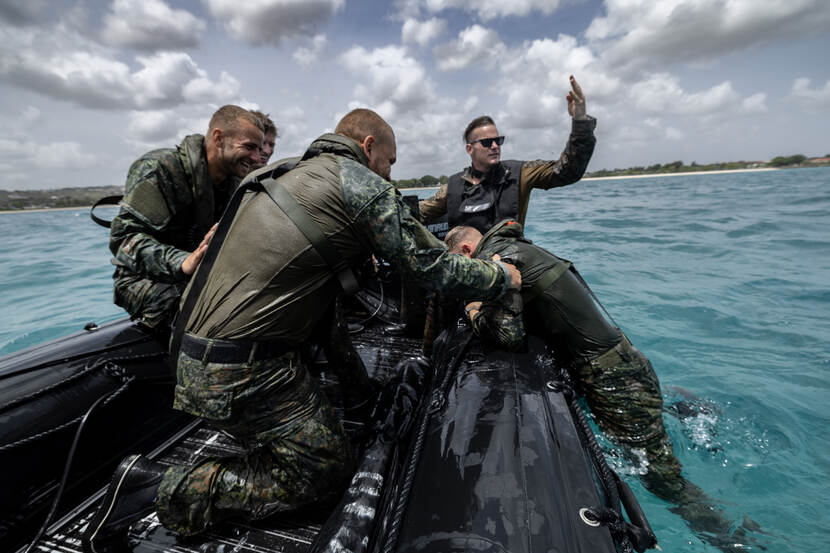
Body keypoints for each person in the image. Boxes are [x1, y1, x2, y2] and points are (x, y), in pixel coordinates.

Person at [82, 108, 521, 551]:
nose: (390, 175)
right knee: (326, 470)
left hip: (191, 354)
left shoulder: (277, 173)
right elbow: (430, 266)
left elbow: (321, 308)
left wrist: (362, 394)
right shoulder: (360, 183)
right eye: (390, 163)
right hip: (238, 372)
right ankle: (157, 489)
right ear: (368, 148)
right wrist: (500, 277)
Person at [445, 220, 764, 552]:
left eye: (463, 270)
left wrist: (472, 308)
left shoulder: (498, 261)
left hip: (615, 380)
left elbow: (508, 335)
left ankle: (737, 539)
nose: (468, 279)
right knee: (645, 456)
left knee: (663, 482)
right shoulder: (518, 247)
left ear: (468, 251)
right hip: (621, 364)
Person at [108, 105, 264, 331]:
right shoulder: (160, 169)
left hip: (200, 279)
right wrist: (182, 262)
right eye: (249, 147)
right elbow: (124, 241)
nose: (257, 157)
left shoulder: (235, 185)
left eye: (259, 150)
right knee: (200, 313)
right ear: (219, 138)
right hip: (143, 280)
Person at [419, 76, 596, 234]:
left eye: (498, 140)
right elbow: (419, 212)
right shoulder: (452, 187)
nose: (495, 146)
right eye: (487, 142)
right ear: (469, 149)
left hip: (509, 265)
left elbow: (567, 171)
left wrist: (580, 122)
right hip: (467, 267)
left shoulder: (521, 173)